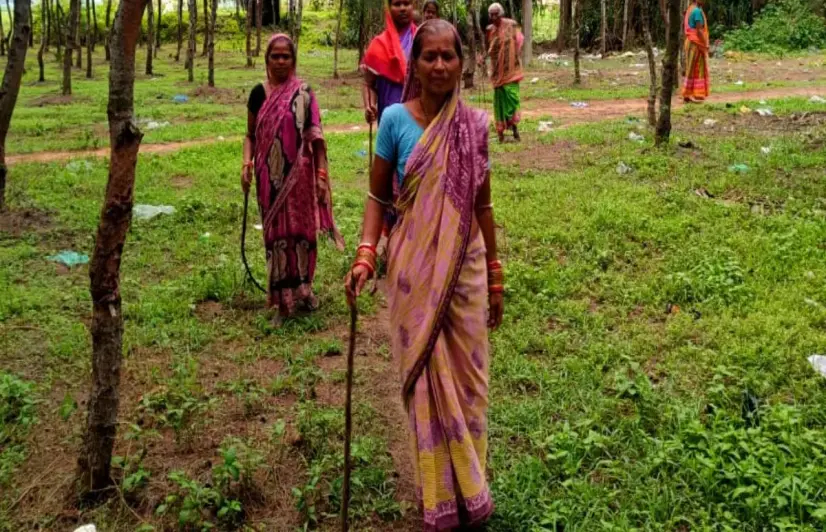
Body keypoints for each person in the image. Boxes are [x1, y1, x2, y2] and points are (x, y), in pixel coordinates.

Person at [346, 19, 504, 531]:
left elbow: (482, 204)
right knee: (425, 383)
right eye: (429, 57)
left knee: (470, 383)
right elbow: (377, 197)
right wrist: (367, 253)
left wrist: (496, 273)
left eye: (448, 56)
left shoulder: (476, 125)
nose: (439, 66)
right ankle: (437, 494)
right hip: (413, 273)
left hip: (466, 273)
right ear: (414, 65)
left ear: (463, 62)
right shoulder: (394, 119)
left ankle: (470, 490)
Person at [242, 34, 344, 326]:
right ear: (267, 59)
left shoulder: (304, 93)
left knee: (303, 236)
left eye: (286, 56)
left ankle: (305, 291)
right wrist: (245, 163)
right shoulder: (258, 94)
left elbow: (317, 139)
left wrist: (322, 176)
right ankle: (281, 303)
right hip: (268, 179)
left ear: (294, 60)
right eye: (275, 56)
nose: (281, 61)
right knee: (275, 240)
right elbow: (249, 135)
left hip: (300, 180)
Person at [362, 0, 417, 125]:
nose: (402, 8)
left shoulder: (422, 41)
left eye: (406, 3)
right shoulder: (378, 45)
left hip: (417, 122)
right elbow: (368, 84)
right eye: (397, 4)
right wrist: (369, 106)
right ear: (389, 8)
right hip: (388, 121)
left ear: (413, 6)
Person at [486, 2, 524, 143]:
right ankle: (501, 134)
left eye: (496, 13)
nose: (494, 16)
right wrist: (482, 59)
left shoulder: (511, 25)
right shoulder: (489, 29)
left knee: (512, 99)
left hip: (511, 71)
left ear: (501, 13)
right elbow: (489, 48)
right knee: (499, 102)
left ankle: (514, 129)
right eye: (491, 14)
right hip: (497, 71)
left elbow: (520, 40)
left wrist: (512, 55)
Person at [682, 0, 710, 103]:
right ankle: (691, 94)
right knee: (696, 68)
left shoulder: (691, 9)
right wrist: (705, 43)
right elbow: (699, 30)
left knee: (693, 67)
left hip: (691, 41)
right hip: (696, 43)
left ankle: (693, 93)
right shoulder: (697, 11)